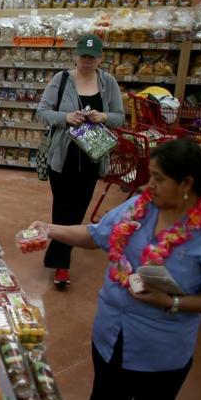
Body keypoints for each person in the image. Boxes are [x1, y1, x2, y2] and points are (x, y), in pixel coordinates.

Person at [30, 139, 201, 400]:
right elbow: (96, 235)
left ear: (186, 184)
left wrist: (171, 302)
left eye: (158, 178)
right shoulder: (141, 207)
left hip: (160, 352)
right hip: (110, 335)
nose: (148, 186)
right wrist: (51, 229)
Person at [35, 34, 125, 287]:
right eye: (83, 55)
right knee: (63, 208)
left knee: (78, 210)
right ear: (75, 55)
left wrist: (104, 116)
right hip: (62, 158)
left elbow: (120, 117)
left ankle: (57, 255)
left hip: (92, 158)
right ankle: (61, 264)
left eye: (92, 56)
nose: (87, 60)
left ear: (100, 57)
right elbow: (42, 112)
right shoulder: (61, 79)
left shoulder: (108, 83)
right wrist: (65, 118)